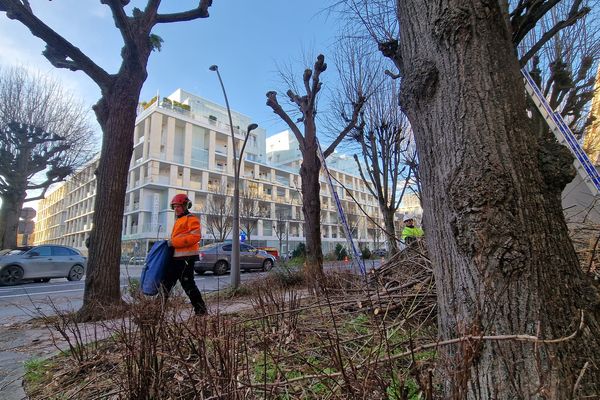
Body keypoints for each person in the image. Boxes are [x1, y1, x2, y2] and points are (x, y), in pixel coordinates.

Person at [162, 193, 207, 316]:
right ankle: (156, 312)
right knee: (166, 284)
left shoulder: (191, 219)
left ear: (185, 206)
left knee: (188, 285)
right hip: (176, 259)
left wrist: (173, 242)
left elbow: (194, 237)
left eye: (178, 206)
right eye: (174, 206)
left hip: (186, 259)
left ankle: (201, 311)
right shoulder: (179, 220)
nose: (176, 209)